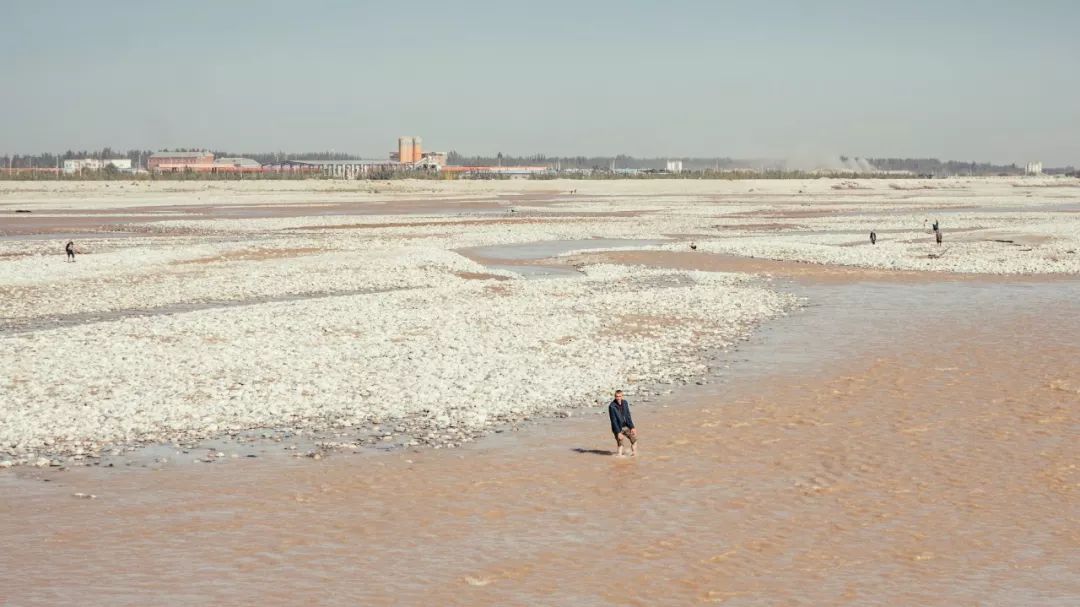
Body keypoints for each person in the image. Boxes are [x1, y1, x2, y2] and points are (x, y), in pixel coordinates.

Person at [608, 390, 637, 457]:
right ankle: (619, 457)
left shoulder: (625, 403)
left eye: (619, 396)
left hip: (626, 426)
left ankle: (634, 455)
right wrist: (618, 432)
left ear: (622, 396)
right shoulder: (612, 406)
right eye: (616, 396)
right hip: (617, 427)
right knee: (620, 444)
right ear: (614, 396)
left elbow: (628, 416)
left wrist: (632, 427)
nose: (618, 398)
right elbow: (613, 420)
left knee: (634, 440)